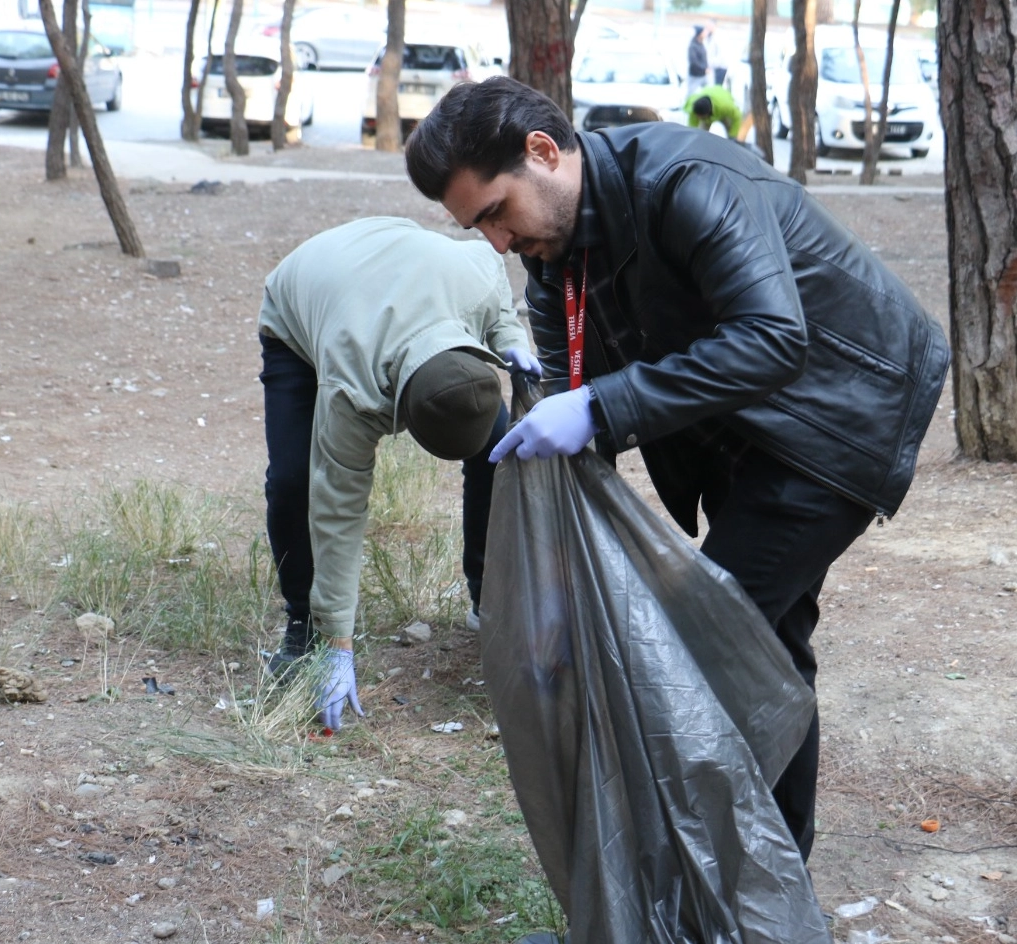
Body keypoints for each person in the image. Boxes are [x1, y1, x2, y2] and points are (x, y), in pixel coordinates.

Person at [404, 75, 949, 882]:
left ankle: (684, 895)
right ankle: (771, 892)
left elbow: (769, 340)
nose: (494, 242)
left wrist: (597, 409)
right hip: (740, 429)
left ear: (543, 153)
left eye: (493, 212)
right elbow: (568, 397)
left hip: (837, 417)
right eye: (473, 225)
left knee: (695, 648)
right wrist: (551, 567)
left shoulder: (689, 182)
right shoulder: (553, 253)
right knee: (763, 642)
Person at [257, 216, 538, 729]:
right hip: (305, 298)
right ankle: (304, 627)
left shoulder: (475, 273)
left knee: (499, 447)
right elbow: (338, 509)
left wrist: (509, 335)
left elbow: (496, 287)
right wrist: (339, 643)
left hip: (404, 267)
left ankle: (485, 595)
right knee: (295, 479)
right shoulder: (352, 385)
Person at [686, 24, 709, 95]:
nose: (706, 34)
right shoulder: (693, 46)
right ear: (699, 34)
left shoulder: (701, 44)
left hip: (703, 75)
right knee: (691, 95)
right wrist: (703, 69)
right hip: (695, 76)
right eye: (704, 32)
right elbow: (693, 62)